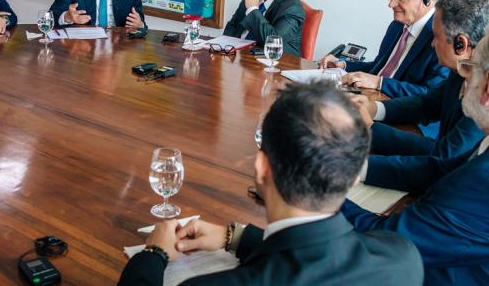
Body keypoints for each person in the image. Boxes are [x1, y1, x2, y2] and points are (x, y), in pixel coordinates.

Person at [118, 82, 424, 286]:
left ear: (261, 168)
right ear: (356, 174)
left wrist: (153, 256)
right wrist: (236, 238)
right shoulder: (402, 258)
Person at [343, 20, 489, 285]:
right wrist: (353, 167)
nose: (463, 78)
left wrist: (313, 189)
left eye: (469, 69)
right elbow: (443, 168)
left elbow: (390, 241)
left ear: (488, 86)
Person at [353, 0, 489, 159]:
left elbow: (443, 155)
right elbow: (427, 104)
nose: (432, 44)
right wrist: (373, 109)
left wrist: (369, 128)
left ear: (460, 44)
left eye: (436, 36)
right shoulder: (463, 68)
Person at [320, 0, 448, 103]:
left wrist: (379, 83)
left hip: (403, 113)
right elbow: (380, 67)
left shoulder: (442, 36)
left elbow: (431, 95)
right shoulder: (397, 25)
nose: (391, 4)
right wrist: (343, 65)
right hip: (370, 98)